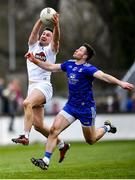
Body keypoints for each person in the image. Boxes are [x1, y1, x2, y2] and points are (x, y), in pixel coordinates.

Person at [25, 43, 134, 170]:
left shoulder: (88, 68)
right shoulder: (69, 64)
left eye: (80, 50)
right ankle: (46, 160)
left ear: (85, 56)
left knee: (91, 140)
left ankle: (106, 127)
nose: (76, 50)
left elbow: (104, 76)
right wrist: (34, 60)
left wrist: (121, 83)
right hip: (71, 106)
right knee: (54, 130)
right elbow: (50, 66)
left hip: (86, 109)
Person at [12, 11, 70, 163]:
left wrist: (56, 26)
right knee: (38, 125)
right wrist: (41, 19)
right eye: (43, 33)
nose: (44, 35)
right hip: (32, 87)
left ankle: (25, 136)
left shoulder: (51, 51)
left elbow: (56, 40)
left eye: (47, 35)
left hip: (44, 86)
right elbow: (33, 33)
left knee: (26, 103)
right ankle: (62, 144)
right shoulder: (33, 45)